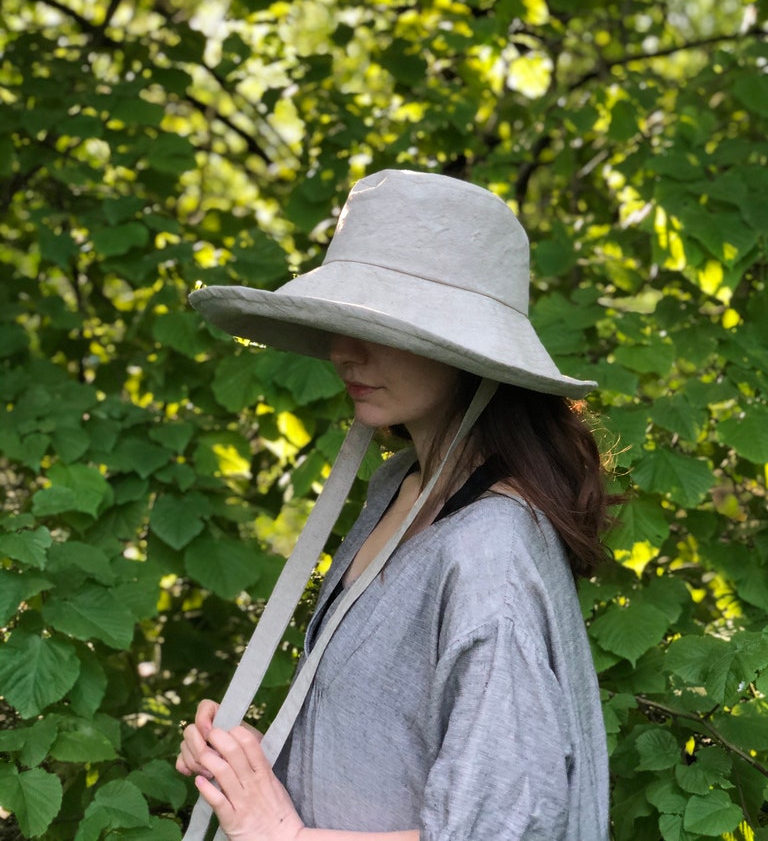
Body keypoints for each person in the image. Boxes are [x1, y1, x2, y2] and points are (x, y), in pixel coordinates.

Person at [176, 169, 613, 841]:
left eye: (381, 326)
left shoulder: (487, 548)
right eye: (341, 323)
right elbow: (389, 740)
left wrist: (283, 836)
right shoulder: (399, 484)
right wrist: (250, 772)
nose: (342, 351)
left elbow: (503, 827)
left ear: (467, 350)